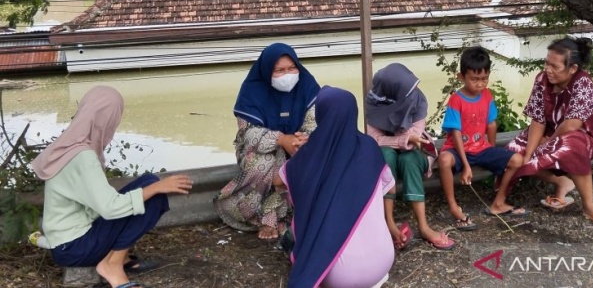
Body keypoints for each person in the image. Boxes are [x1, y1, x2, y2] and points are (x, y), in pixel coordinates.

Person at [31, 86, 193, 288]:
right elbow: (110, 208)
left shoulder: (70, 145)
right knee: (155, 195)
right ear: (105, 119)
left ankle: (119, 258)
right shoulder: (82, 156)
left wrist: (154, 186)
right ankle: (112, 266)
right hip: (74, 248)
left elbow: (99, 202)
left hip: (66, 243)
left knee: (148, 180)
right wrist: (159, 188)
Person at [275, 86, 394, 288]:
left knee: (295, 234)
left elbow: (278, 183)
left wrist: (306, 153)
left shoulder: (309, 154)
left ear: (321, 115)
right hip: (382, 264)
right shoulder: (370, 147)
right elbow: (390, 189)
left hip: (341, 277)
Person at [504, 37, 593, 229]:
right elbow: (538, 119)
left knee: (570, 145)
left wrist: (548, 142)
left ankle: (589, 205)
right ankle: (563, 183)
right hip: (549, 133)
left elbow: (572, 125)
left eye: (554, 66)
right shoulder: (542, 79)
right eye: (546, 63)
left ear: (572, 68)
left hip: (583, 139)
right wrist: (531, 151)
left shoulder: (583, 83)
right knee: (513, 152)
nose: (548, 69)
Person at [213, 43, 320, 240]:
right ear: (266, 71)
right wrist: (281, 139)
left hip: (298, 146)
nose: (287, 75)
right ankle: (266, 218)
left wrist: (302, 140)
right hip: (257, 149)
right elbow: (249, 134)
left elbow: (315, 122)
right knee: (267, 161)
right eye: (279, 70)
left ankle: (293, 214)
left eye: (291, 68)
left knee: (312, 157)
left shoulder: (307, 84)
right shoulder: (251, 91)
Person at [365, 63, 454, 250]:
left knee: (409, 159)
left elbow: (415, 139)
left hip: (415, 150)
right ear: (391, 92)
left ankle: (423, 226)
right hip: (388, 150)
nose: (413, 93)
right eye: (406, 91)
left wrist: (403, 140)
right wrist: (401, 140)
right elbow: (374, 138)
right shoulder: (374, 102)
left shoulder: (417, 99)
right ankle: (388, 223)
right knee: (385, 156)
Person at [437, 47, 525, 230]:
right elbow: (456, 133)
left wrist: (491, 150)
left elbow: (491, 124)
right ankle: (453, 206)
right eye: (474, 79)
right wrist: (466, 165)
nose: (480, 84)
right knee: (444, 159)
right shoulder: (456, 99)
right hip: (458, 149)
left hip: (480, 148)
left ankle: (498, 203)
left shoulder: (487, 95)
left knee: (517, 160)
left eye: (484, 79)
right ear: (461, 77)